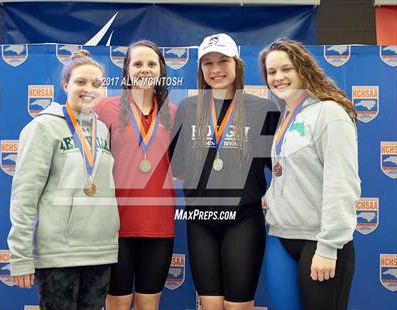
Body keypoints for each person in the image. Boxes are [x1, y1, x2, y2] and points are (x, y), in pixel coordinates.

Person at [171, 33, 279, 310]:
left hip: (242, 220)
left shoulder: (263, 109)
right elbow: (178, 165)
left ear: (237, 65)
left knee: (238, 305)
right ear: (200, 69)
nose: (215, 69)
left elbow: (280, 167)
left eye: (222, 61)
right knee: (209, 304)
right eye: (208, 63)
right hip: (200, 221)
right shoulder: (187, 108)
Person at [7, 50, 119, 310]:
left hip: (100, 250)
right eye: (80, 81)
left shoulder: (102, 130)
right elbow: (24, 195)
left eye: (96, 83)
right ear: (66, 85)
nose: (88, 88)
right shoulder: (42, 127)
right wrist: (21, 256)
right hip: (59, 252)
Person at [259, 38, 360, 310]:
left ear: (303, 68)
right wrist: (272, 194)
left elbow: (341, 183)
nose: (278, 77)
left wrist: (328, 247)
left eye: (286, 69)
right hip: (281, 237)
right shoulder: (286, 114)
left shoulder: (330, 112)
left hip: (320, 241)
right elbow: (290, 168)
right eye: (271, 72)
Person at [94, 40, 176, 310]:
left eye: (151, 64)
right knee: (116, 303)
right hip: (114, 224)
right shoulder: (105, 108)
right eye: (137, 63)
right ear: (126, 70)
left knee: (148, 304)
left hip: (158, 223)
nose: (144, 69)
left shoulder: (173, 114)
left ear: (161, 70)